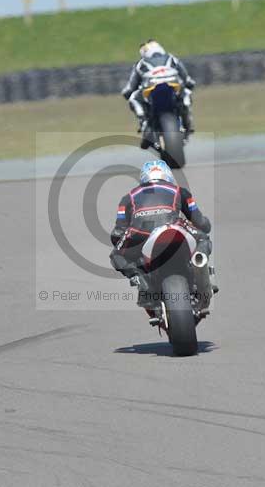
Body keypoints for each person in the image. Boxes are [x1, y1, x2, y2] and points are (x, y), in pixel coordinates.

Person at [109, 160, 215, 324]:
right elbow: (202, 223)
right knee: (203, 238)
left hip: (140, 234)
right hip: (174, 228)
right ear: (168, 176)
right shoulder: (181, 191)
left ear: (143, 178)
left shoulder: (128, 197)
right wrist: (203, 225)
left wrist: (124, 241)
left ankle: (140, 279)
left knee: (116, 255)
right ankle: (199, 263)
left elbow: (117, 233)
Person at [121, 40, 197, 148]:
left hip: (151, 89)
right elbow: (187, 79)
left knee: (133, 98)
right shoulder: (172, 59)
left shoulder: (140, 64)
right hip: (173, 86)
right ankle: (188, 122)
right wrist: (190, 84)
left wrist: (126, 93)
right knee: (186, 93)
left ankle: (143, 121)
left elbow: (130, 88)